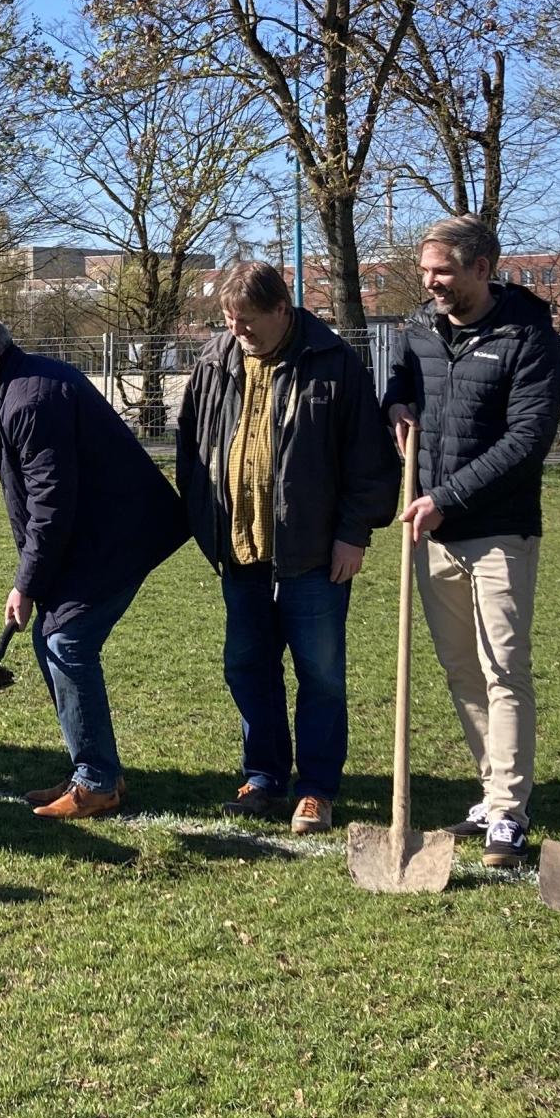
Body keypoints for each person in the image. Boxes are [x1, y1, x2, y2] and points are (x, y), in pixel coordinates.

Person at [176, 262, 400, 835]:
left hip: (316, 553)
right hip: (240, 549)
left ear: (283, 309)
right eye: (229, 321)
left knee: (320, 674)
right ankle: (264, 776)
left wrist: (355, 533)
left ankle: (317, 789)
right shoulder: (214, 361)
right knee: (247, 667)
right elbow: (190, 449)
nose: (237, 332)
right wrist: (207, 524)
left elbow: (369, 460)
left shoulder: (333, 363)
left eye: (247, 321)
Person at [0, 311, 187, 819]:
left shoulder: (30, 400)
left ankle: (97, 783)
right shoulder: (18, 388)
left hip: (119, 537)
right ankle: (95, 769)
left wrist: (26, 584)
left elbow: (50, 503)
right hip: (95, 537)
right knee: (51, 639)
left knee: (65, 643)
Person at [381, 216, 560, 866]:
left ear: (483, 267)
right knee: (462, 671)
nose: (430, 282)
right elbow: (402, 382)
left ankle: (509, 815)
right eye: (427, 270)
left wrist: (444, 498)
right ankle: (493, 792)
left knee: (503, 669)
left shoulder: (529, 338)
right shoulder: (417, 329)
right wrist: (396, 407)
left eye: (443, 271)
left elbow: (526, 442)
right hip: (433, 532)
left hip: (500, 532)